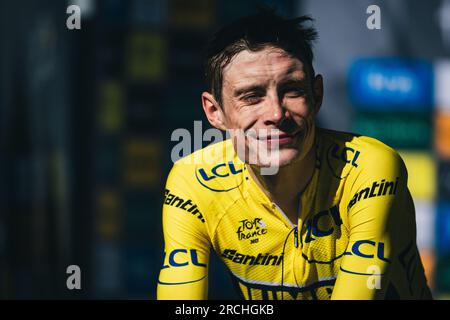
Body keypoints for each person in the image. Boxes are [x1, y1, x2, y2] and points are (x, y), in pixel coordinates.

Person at [156, 10, 432, 300]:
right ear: (214, 112)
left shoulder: (369, 167)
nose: (276, 113)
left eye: (293, 90)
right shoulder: (194, 181)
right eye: (251, 96)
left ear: (317, 95)